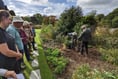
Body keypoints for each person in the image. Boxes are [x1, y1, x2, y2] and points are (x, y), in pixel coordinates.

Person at [0, 10, 22, 79]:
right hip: (8, 66)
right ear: (3, 18)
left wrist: (17, 51)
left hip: (14, 62)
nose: (10, 22)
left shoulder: (4, 31)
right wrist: (19, 54)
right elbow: (6, 51)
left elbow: (14, 42)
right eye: (9, 19)